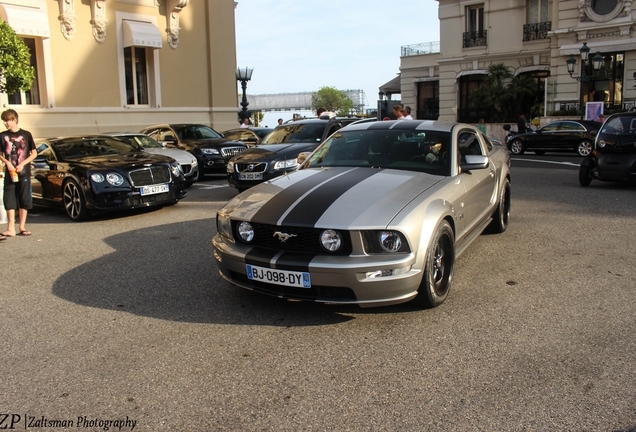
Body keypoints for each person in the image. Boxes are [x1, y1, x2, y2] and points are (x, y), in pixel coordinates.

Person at [0, 109, 37, 239]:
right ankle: (10, 228)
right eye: (4, 121)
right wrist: (7, 163)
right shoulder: (2, 136)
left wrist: (22, 164)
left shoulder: (26, 134)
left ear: (14, 119)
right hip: (10, 172)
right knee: (9, 198)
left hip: (24, 172)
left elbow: (34, 153)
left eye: (7, 120)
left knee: (24, 198)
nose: (5, 123)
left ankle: (22, 227)